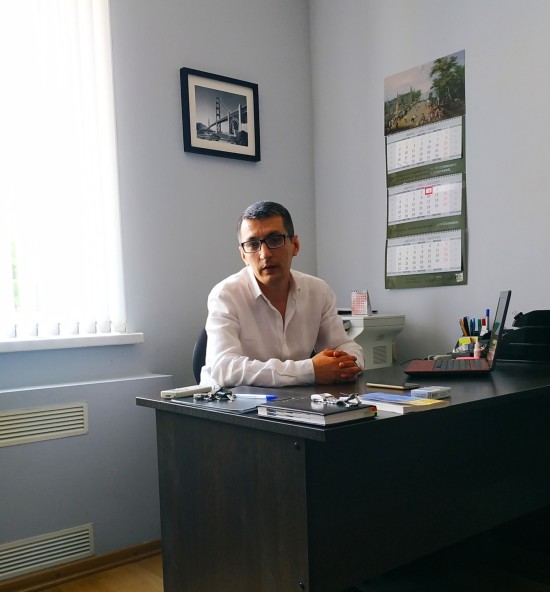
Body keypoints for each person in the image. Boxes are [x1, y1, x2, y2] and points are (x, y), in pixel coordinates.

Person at [200, 201, 365, 387]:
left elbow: (344, 345)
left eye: (275, 240)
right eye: (253, 244)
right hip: (230, 401)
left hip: (294, 398)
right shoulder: (225, 295)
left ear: (295, 245)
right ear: (243, 255)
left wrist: (346, 365)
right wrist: (309, 370)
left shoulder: (318, 291)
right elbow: (224, 369)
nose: (265, 254)